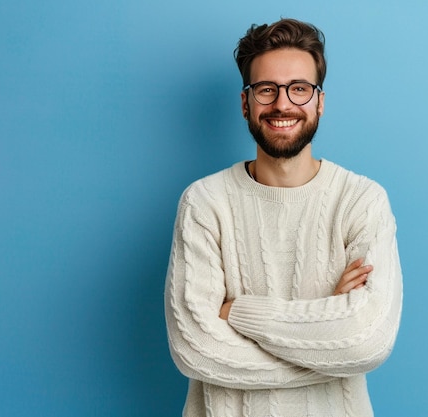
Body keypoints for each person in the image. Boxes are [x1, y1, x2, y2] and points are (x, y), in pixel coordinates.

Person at [164, 18, 403, 417]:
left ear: (319, 102)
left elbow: (367, 340)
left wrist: (236, 312)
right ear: (246, 103)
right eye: (266, 90)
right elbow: (195, 350)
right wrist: (325, 339)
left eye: (299, 89)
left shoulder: (362, 200)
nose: (283, 104)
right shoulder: (204, 202)